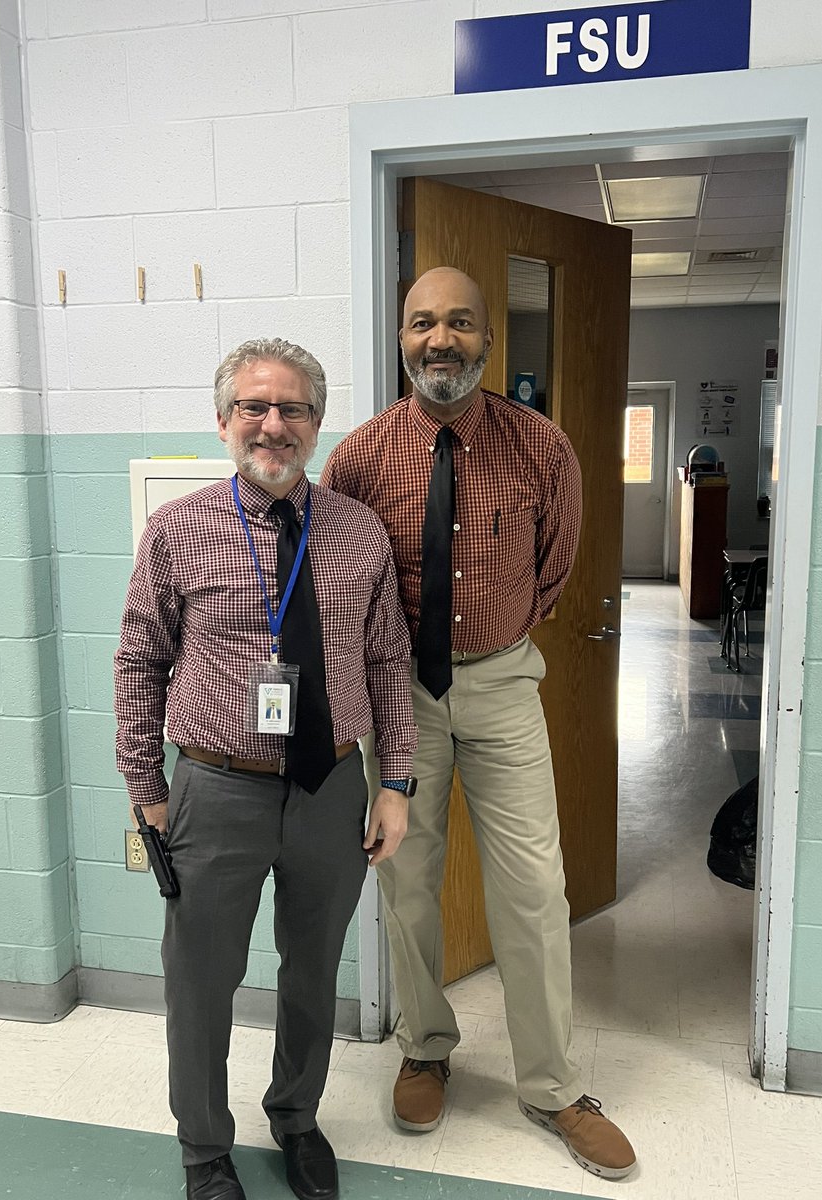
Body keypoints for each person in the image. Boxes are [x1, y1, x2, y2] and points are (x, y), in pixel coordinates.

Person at [321, 268, 636, 1180]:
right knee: (408, 882)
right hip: (400, 698)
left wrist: (490, 641)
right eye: (423, 322)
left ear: (488, 340)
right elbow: (343, 579)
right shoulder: (359, 458)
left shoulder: (542, 447)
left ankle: (553, 1087)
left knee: (534, 888)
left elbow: (555, 569)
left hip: (502, 686)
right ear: (402, 338)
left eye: (460, 322)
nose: (441, 339)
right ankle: (425, 1047)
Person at [114, 338, 417, 1200]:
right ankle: (204, 1150)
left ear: (317, 425)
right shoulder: (179, 530)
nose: (273, 424)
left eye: (293, 409)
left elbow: (389, 662)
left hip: (332, 786)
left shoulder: (358, 531)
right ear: (224, 421)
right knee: (201, 981)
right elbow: (139, 660)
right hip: (216, 788)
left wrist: (396, 783)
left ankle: (296, 1116)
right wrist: (146, 787)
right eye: (254, 406)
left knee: (313, 971)